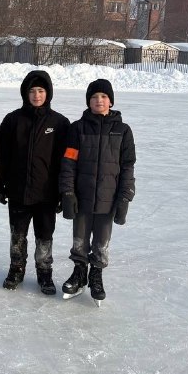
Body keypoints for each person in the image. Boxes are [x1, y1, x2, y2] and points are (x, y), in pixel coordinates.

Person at [59, 78, 136, 303]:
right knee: (80, 238)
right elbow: (69, 162)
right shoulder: (77, 129)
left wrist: (125, 197)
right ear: (88, 101)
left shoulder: (123, 131)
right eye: (94, 97)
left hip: (108, 198)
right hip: (81, 196)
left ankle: (96, 275)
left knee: (102, 240)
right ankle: (79, 273)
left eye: (103, 96)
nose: (99, 100)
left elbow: (128, 166)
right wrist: (67, 192)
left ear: (110, 101)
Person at [0, 70, 70, 293]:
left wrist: (63, 192)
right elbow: (1, 156)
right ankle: (16, 269)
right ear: (25, 94)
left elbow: (65, 161)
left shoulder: (60, 123)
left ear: (48, 93)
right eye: (32, 91)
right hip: (18, 191)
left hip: (47, 193)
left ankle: (44, 273)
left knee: (44, 235)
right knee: (17, 235)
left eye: (41, 91)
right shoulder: (12, 120)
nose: (36, 95)